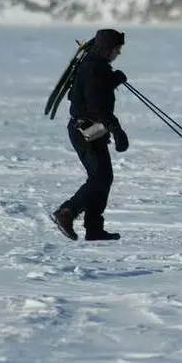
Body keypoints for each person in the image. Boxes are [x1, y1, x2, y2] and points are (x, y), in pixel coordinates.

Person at [51, 28, 129, 241]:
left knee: (104, 178)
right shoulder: (93, 68)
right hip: (84, 131)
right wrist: (117, 129)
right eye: (117, 49)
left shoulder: (96, 66)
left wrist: (112, 80)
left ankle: (94, 228)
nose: (118, 53)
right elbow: (96, 107)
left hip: (92, 130)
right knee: (99, 178)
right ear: (106, 49)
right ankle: (66, 212)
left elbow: (89, 93)